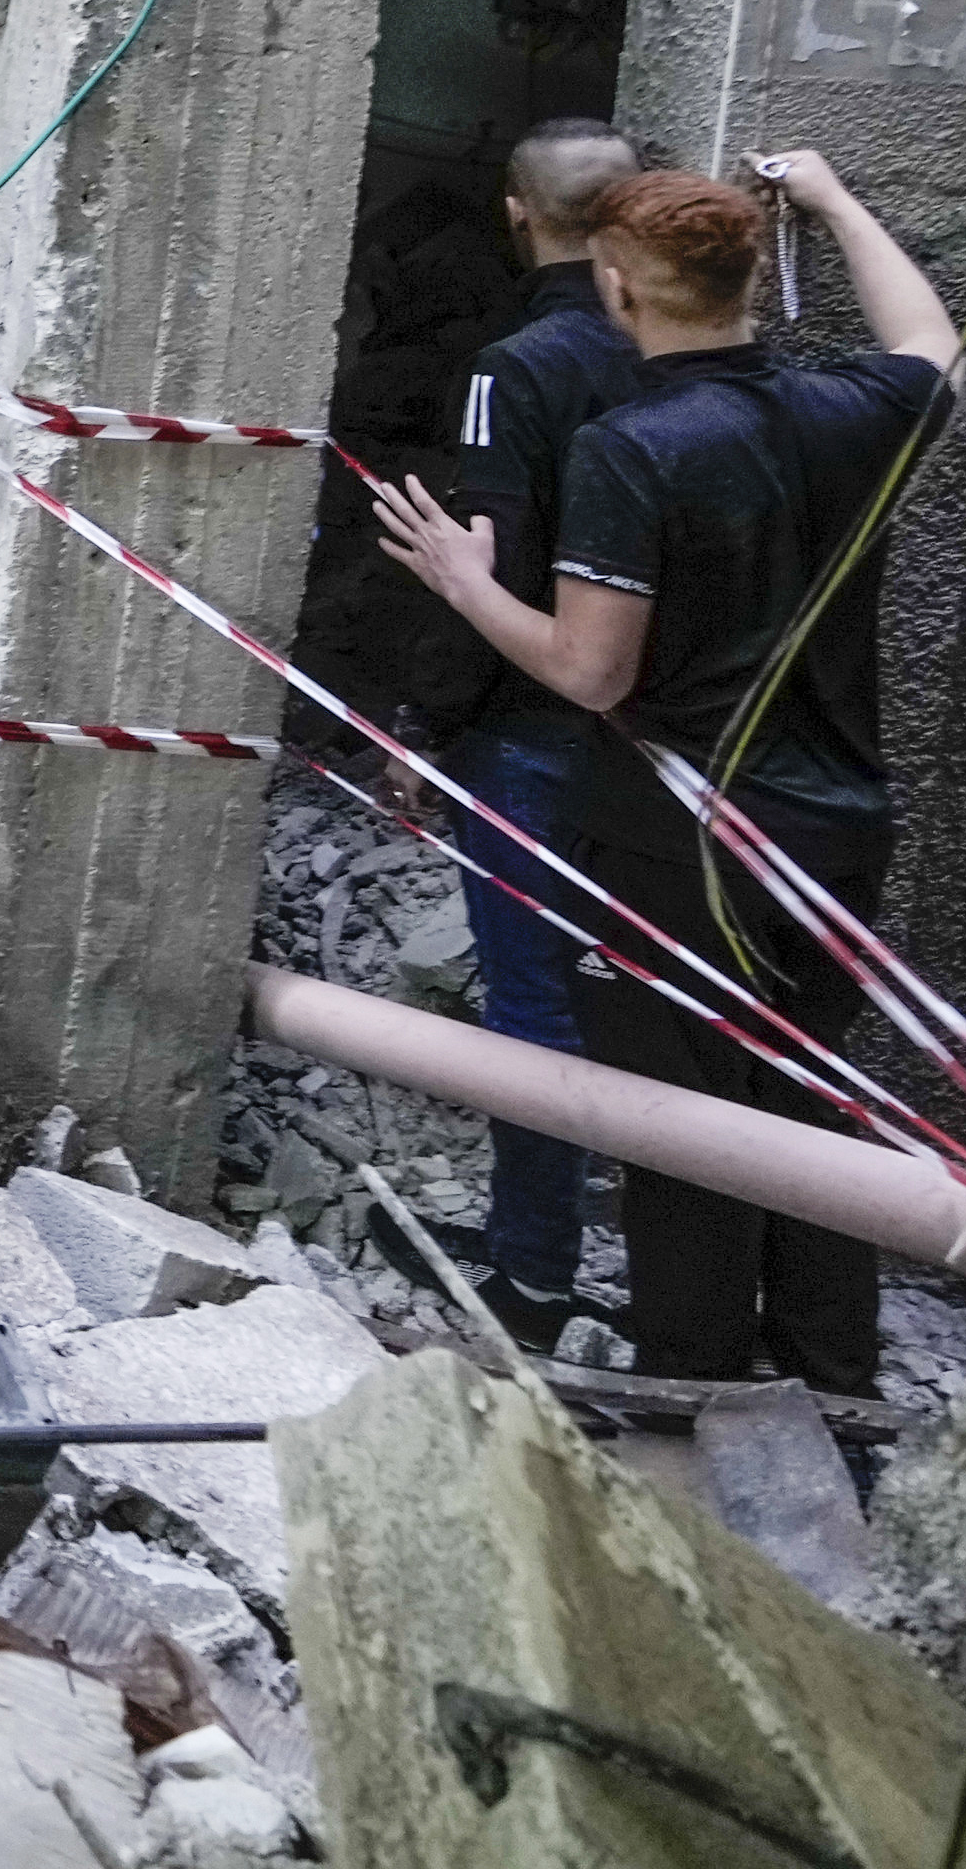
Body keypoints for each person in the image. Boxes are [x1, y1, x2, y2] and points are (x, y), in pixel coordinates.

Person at [369, 155, 959, 1394]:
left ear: (621, 290)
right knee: (813, 1105)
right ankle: (834, 1389)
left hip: (679, 843)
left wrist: (466, 585)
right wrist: (839, 200)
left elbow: (590, 672)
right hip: (843, 823)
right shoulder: (855, 407)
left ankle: (693, 1398)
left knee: (682, 1128)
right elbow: (932, 342)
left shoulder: (634, 449)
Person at [412, 115, 653, 1344]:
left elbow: (482, 557)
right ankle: (653, 1284)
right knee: (641, 1002)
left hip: (532, 721)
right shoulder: (677, 354)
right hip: (673, 739)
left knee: (534, 1003)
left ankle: (537, 1280)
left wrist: (434, 721)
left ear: (516, 210)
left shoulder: (520, 369)